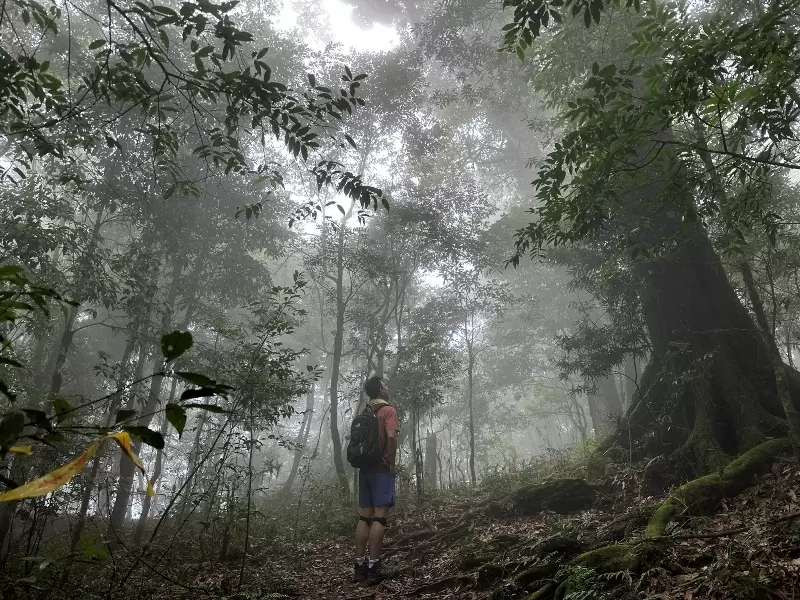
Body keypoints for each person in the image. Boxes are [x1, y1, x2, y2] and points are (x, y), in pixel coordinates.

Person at [353, 375, 399, 583]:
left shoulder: (366, 411)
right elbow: (391, 437)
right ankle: (374, 567)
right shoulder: (388, 410)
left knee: (365, 516)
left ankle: (359, 566)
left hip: (365, 468)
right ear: (381, 390)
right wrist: (391, 460)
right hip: (381, 469)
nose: (387, 387)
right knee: (380, 516)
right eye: (385, 385)